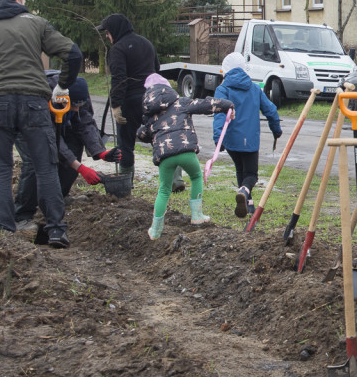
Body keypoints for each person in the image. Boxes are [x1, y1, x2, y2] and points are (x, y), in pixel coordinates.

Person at [0, 0, 82, 248]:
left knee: (1, 169)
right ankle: (57, 230)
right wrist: (63, 85)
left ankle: (4, 230)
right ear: (20, 1)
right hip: (34, 101)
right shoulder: (35, 23)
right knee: (45, 167)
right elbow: (72, 53)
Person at [15, 75, 121, 231]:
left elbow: (84, 122)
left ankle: (61, 195)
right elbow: (50, 139)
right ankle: (21, 216)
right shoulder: (43, 95)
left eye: (80, 105)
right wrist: (80, 168)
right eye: (73, 105)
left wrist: (100, 152)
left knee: (74, 142)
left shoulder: (79, 93)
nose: (77, 109)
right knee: (33, 162)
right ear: (62, 98)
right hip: (26, 120)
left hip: (54, 120)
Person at [136, 73, 232, 240]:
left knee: (164, 189)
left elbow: (142, 133)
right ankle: (197, 215)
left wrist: (151, 134)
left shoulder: (150, 116)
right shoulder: (181, 103)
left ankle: (155, 230)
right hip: (186, 151)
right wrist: (226, 105)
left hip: (165, 157)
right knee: (195, 177)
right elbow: (205, 104)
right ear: (168, 89)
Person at [212, 52, 283, 217]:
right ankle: (244, 193)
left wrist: (218, 138)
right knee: (251, 175)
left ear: (226, 70)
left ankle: (247, 205)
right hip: (250, 140)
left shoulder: (222, 89)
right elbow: (271, 110)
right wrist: (276, 129)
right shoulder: (254, 88)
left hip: (232, 141)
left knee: (240, 170)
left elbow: (219, 115)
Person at [99, 13, 159, 180]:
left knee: (125, 143)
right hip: (151, 98)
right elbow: (157, 68)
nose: (106, 36)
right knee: (160, 137)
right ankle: (174, 178)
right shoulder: (146, 43)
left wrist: (116, 105)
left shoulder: (118, 49)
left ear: (115, 31)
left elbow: (118, 79)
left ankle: (126, 181)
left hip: (130, 101)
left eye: (107, 32)